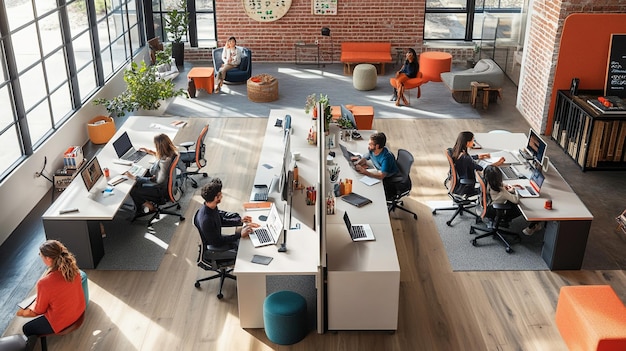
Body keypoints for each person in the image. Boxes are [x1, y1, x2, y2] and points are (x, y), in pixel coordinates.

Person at [17, 240, 85, 337]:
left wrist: (24, 312)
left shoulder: (44, 283)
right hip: (78, 311)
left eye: (41, 256)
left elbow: (39, 310)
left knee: (27, 328)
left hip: (63, 320)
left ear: (48, 259)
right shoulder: (73, 270)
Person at [196, 178, 259, 250]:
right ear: (216, 197)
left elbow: (221, 221)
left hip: (216, 238)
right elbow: (217, 242)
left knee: (244, 234)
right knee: (245, 246)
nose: (222, 196)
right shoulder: (206, 220)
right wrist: (239, 235)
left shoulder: (211, 207)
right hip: (216, 244)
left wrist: (240, 221)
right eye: (220, 194)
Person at [125, 133, 178, 214]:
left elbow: (159, 181)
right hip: (167, 184)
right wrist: (152, 152)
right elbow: (163, 157)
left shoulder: (164, 161)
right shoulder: (172, 153)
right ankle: (143, 204)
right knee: (141, 177)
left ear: (159, 147)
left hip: (161, 190)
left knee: (133, 190)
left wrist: (135, 177)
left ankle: (149, 206)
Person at [483, 165, 542, 235]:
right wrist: (515, 190)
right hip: (498, 210)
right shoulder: (502, 192)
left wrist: (506, 186)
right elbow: (516, 200)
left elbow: (500, 185)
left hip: (489, 207)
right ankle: (533, 225)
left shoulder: (488, 184)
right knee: (521, 205)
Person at [352, 132, 399, 200]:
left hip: (388, 179)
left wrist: (365, 172)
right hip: (378, 171)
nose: (368, 146)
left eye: (370, 144)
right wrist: (358, 163)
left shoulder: (386, 158)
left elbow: (381, 176)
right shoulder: (372, 150)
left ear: (377, 146)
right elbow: (365, 158)